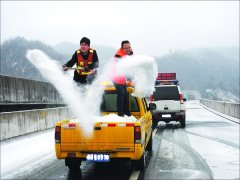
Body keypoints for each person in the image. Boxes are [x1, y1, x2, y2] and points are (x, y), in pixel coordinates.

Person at [112, 40, 133, 117]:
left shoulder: (129, 52)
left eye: (129, 47)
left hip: (123, 78)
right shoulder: (118, 56)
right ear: (122, 48)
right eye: (126, 48)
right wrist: (129, 78)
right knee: (121, 94)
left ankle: (127, 113)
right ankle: (120, 114)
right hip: (116, 77)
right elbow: (123, 69)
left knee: (126, 95)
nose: (128, 49)